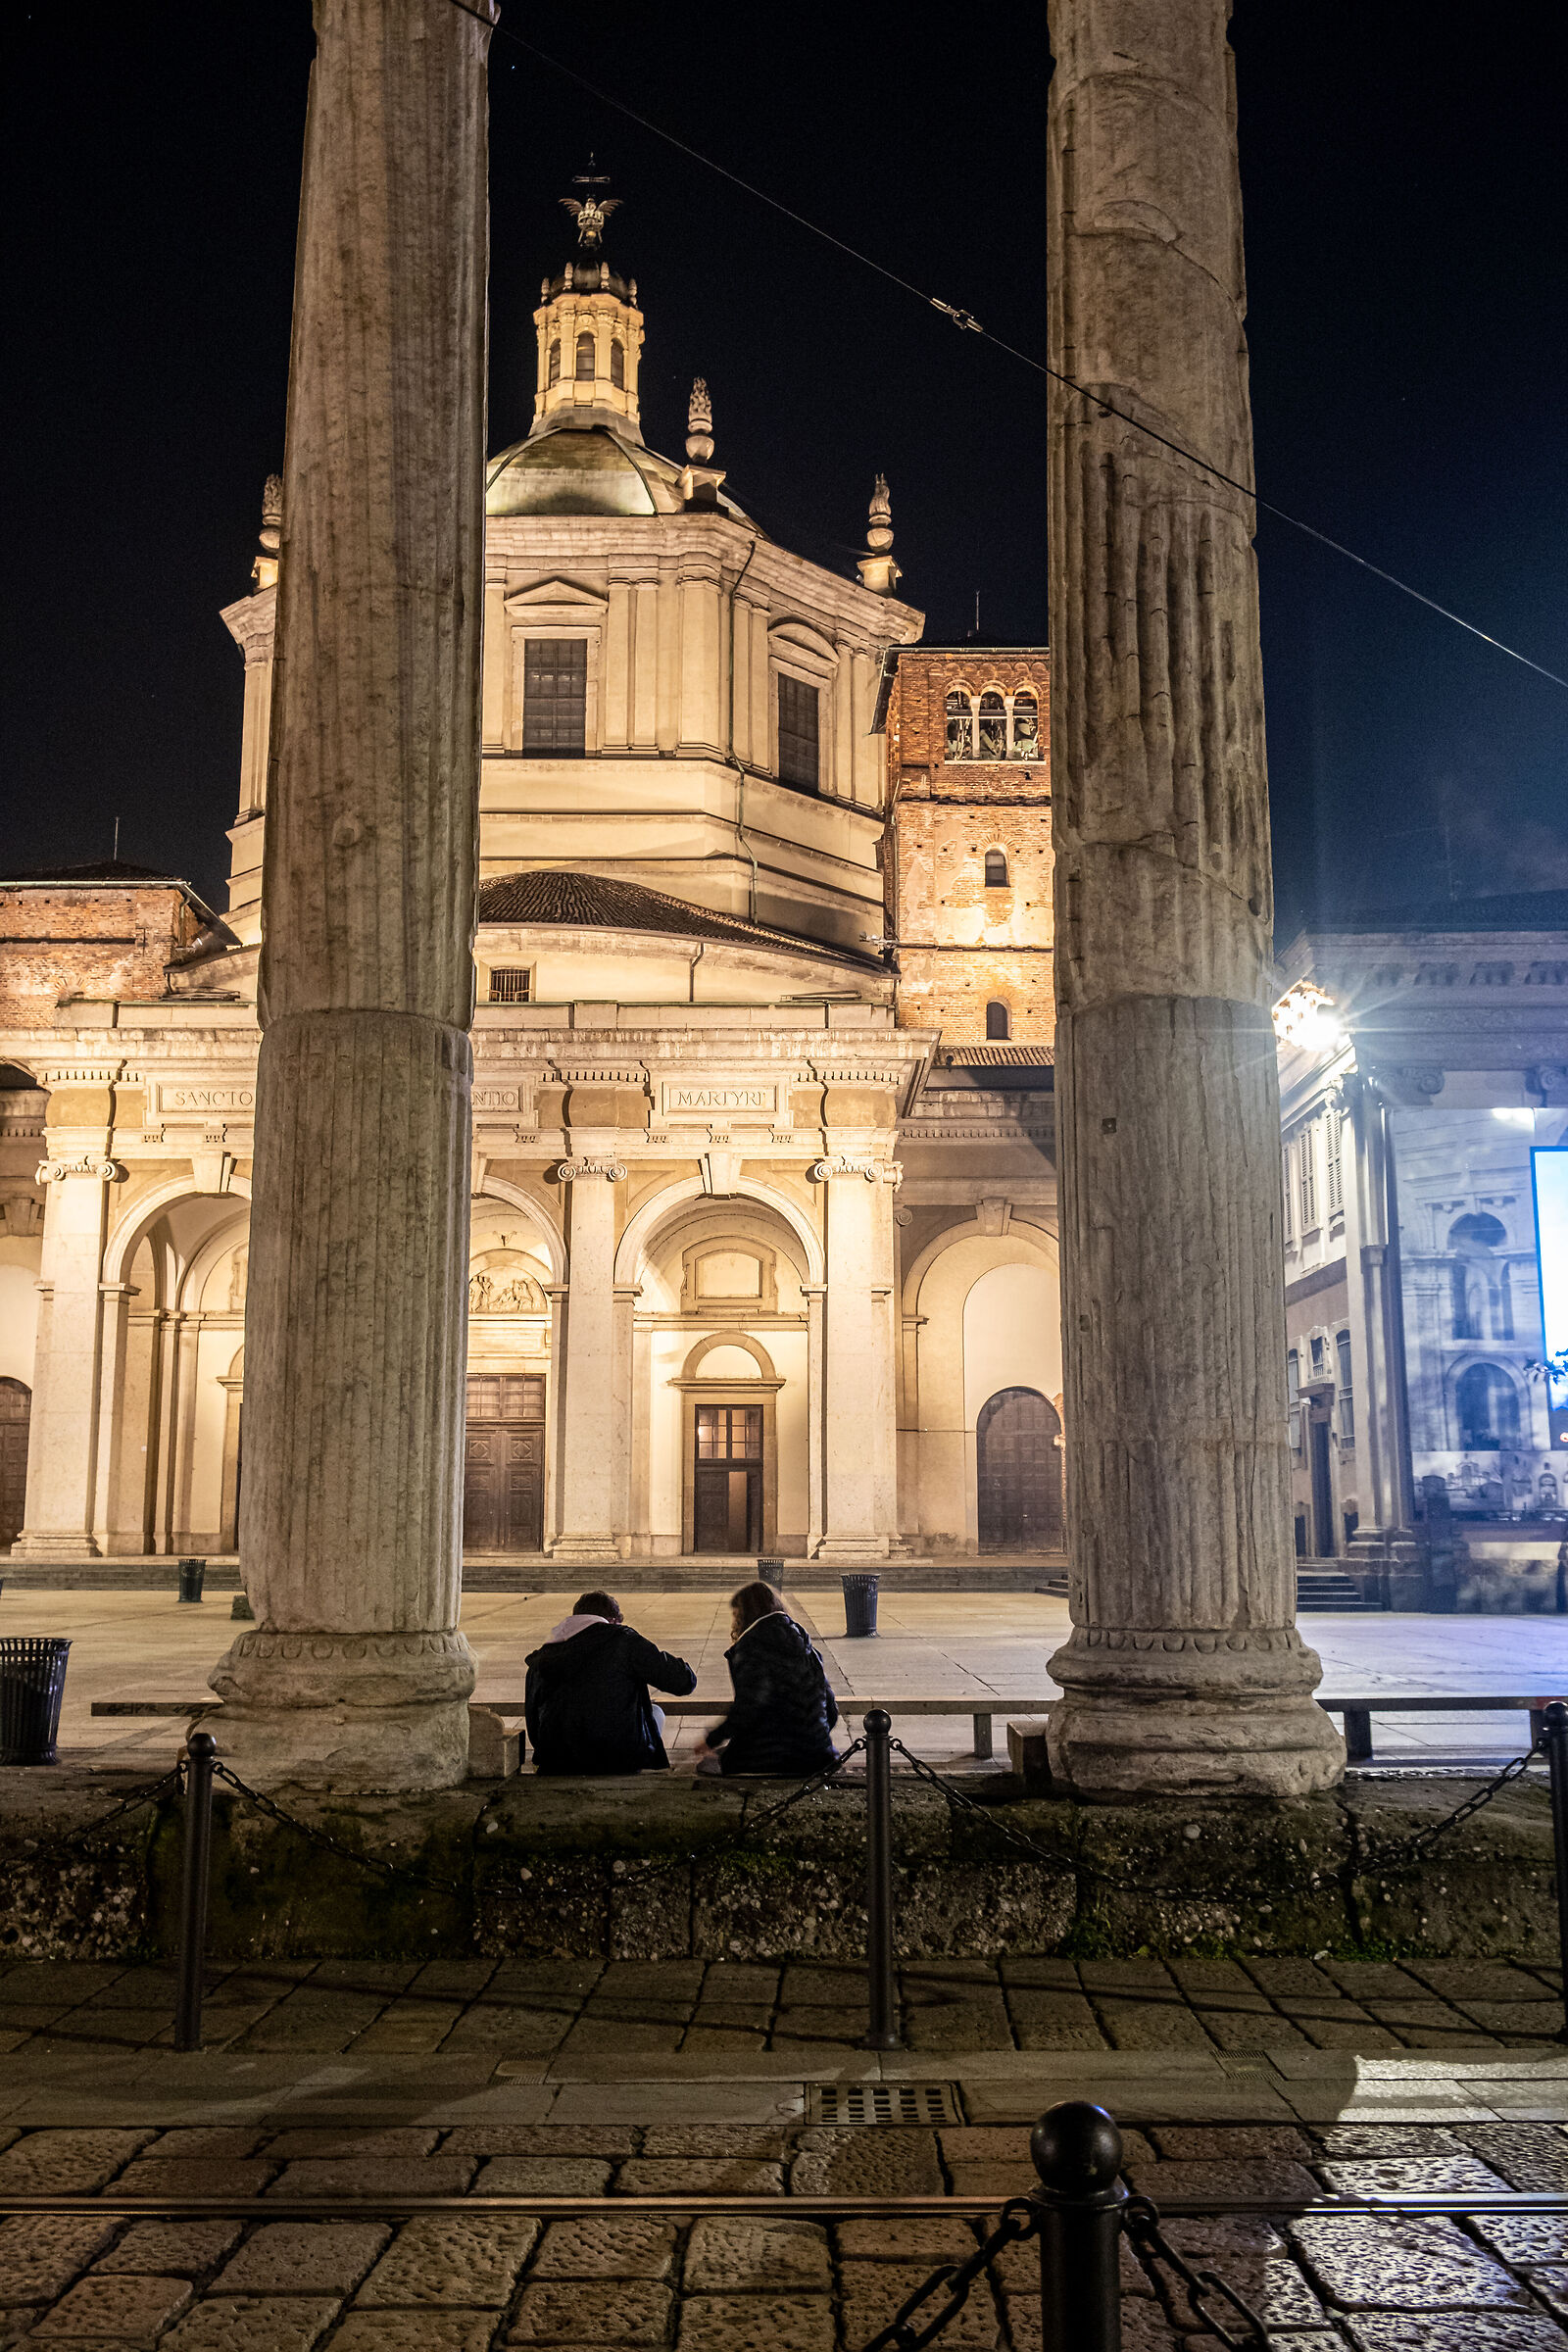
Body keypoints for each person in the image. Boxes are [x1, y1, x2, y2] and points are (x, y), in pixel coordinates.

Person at [524, 1592, 697, 1775]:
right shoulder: (623, 1640)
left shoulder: (544, 1655)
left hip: (556, 1760)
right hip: (616, 1758)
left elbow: (533, 1720)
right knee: (655, 1712)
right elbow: (683, 1681)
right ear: (613, 1620)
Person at [694, 1581, 839, 1777]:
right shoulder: (808, 1649)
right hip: (819, 1755)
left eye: (736, 1615)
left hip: (772, 1757)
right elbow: (830, 1710)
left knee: (709, 1764)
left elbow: (749, 1706)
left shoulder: (752, 1647)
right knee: (724, 1754)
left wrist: (711, 1740)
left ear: (744, 1615)